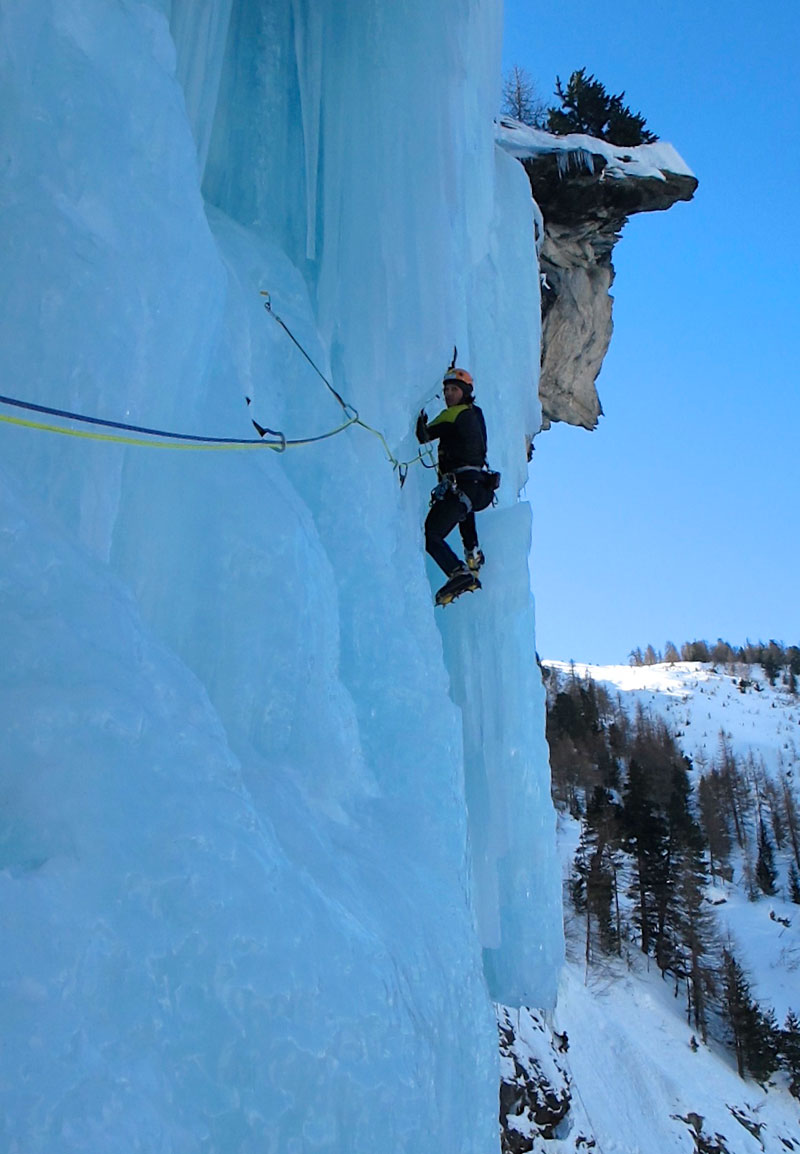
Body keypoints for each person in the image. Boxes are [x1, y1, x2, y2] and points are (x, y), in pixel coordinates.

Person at [416, 366, 495, 604]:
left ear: (464, 393)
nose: (448, 394)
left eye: (454, 390)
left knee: (430, 534)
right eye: (446, 389)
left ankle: (458, 572)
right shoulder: (476, 414)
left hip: (463, 484)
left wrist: (417, 411)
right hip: (477, 487)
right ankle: (472, 554)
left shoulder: (454, 414)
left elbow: (423, 435)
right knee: (463, 509)